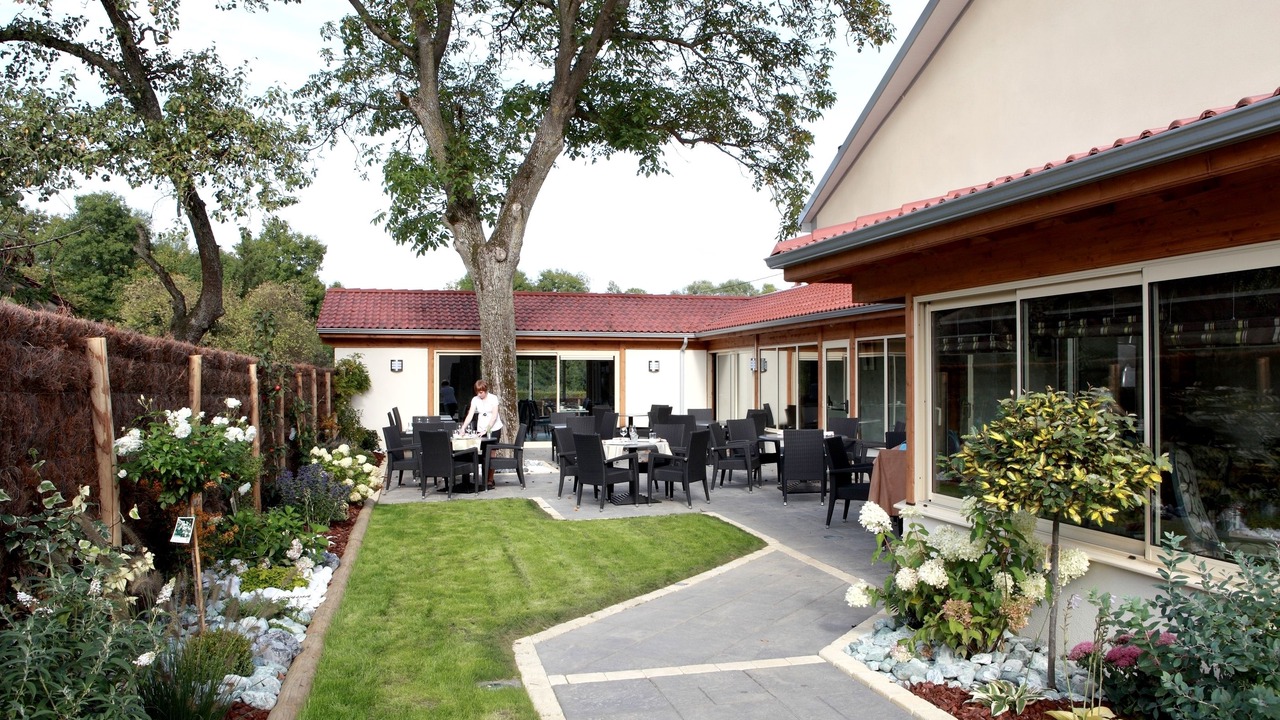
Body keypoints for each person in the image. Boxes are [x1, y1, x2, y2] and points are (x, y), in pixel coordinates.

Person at [460, 380, 504, 488]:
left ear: (485, 390)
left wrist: (487, 429)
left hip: (494, 428)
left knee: (491, 452)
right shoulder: (475, 400)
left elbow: (494, 416)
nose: (480, 394)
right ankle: (483, 477)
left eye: (481, 392)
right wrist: (463, 427)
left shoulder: (493, 398)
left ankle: (490, 479)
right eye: (478, 392)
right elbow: (470, 414)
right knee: (484, 452)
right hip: (481, 429)